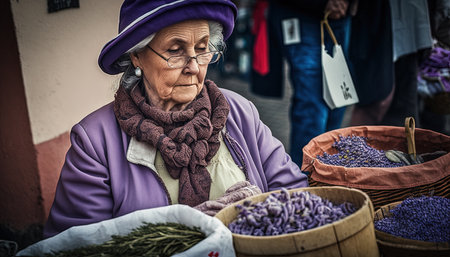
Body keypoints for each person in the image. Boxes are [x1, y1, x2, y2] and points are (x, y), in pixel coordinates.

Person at [43, 0, 308, 238]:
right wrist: (187, 233)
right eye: (175, 50)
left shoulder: (237, 110)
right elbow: (77, 244)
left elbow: (294, 192)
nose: (193, 66)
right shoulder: (95, 141)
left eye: (203, 49)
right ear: (137, 56)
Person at [250, 0, 355, 167]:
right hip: (301, 13)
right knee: (311, 106)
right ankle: (305, 180)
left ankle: (326, 172)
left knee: (338, 99)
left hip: (342, 15)